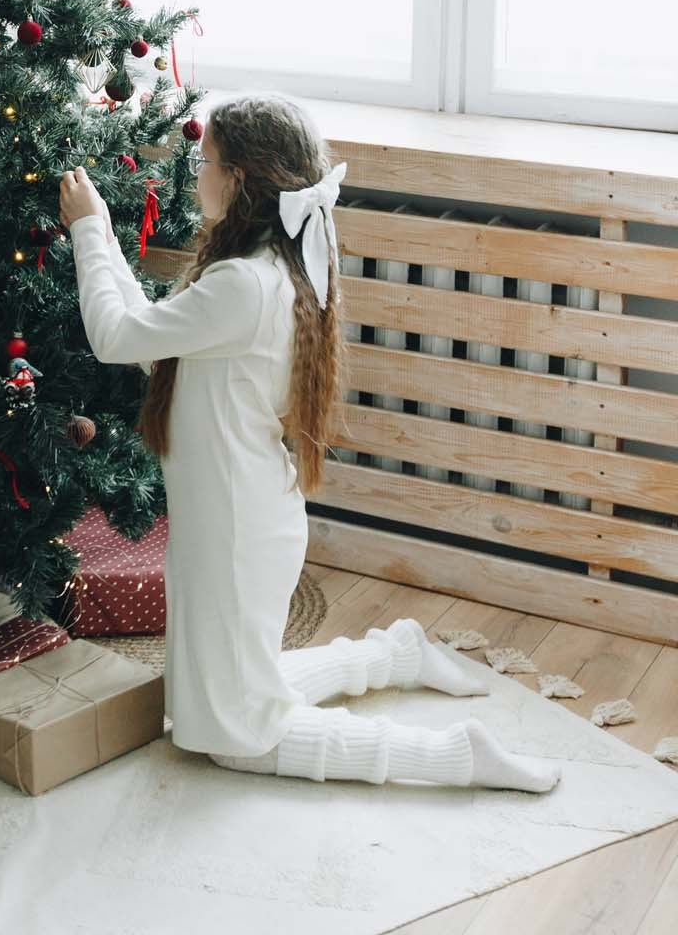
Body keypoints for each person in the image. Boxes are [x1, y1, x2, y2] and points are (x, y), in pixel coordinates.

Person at [59, 92, 559, 792]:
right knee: (208, 709)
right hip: (234, 518)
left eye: (204, 163)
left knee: (236, 737)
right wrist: (105, 236)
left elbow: (115, 336)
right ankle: (397, 654)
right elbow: (151, 343)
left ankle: (455, 756)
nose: (194, 175)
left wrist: (89, 232)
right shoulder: (267, 266)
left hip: (235, 529)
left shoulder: (243, 284)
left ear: (238, 179)